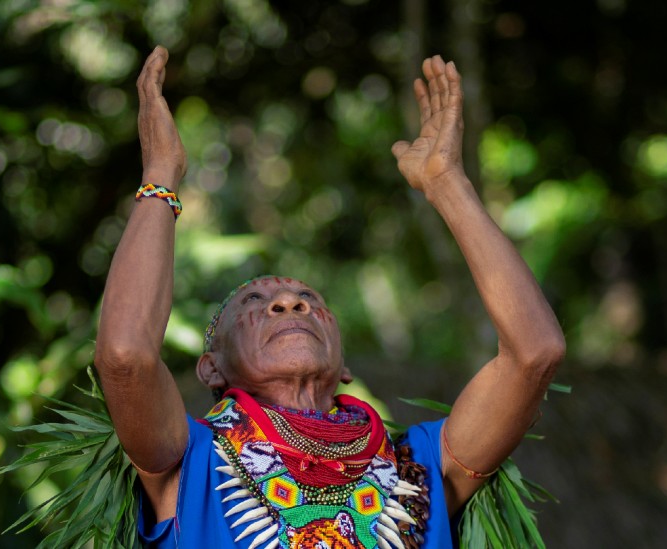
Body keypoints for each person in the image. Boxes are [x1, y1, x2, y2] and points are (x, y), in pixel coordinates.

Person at [94, 46, 565, 548]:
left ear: (344, 365)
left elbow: (534, 353)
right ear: (211, 368)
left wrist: (446, 183)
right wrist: (160, 174)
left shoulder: (421, 468)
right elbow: (126, 357)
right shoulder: (191, 460)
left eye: (307, 298)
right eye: (254, 303)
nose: (290, 303)